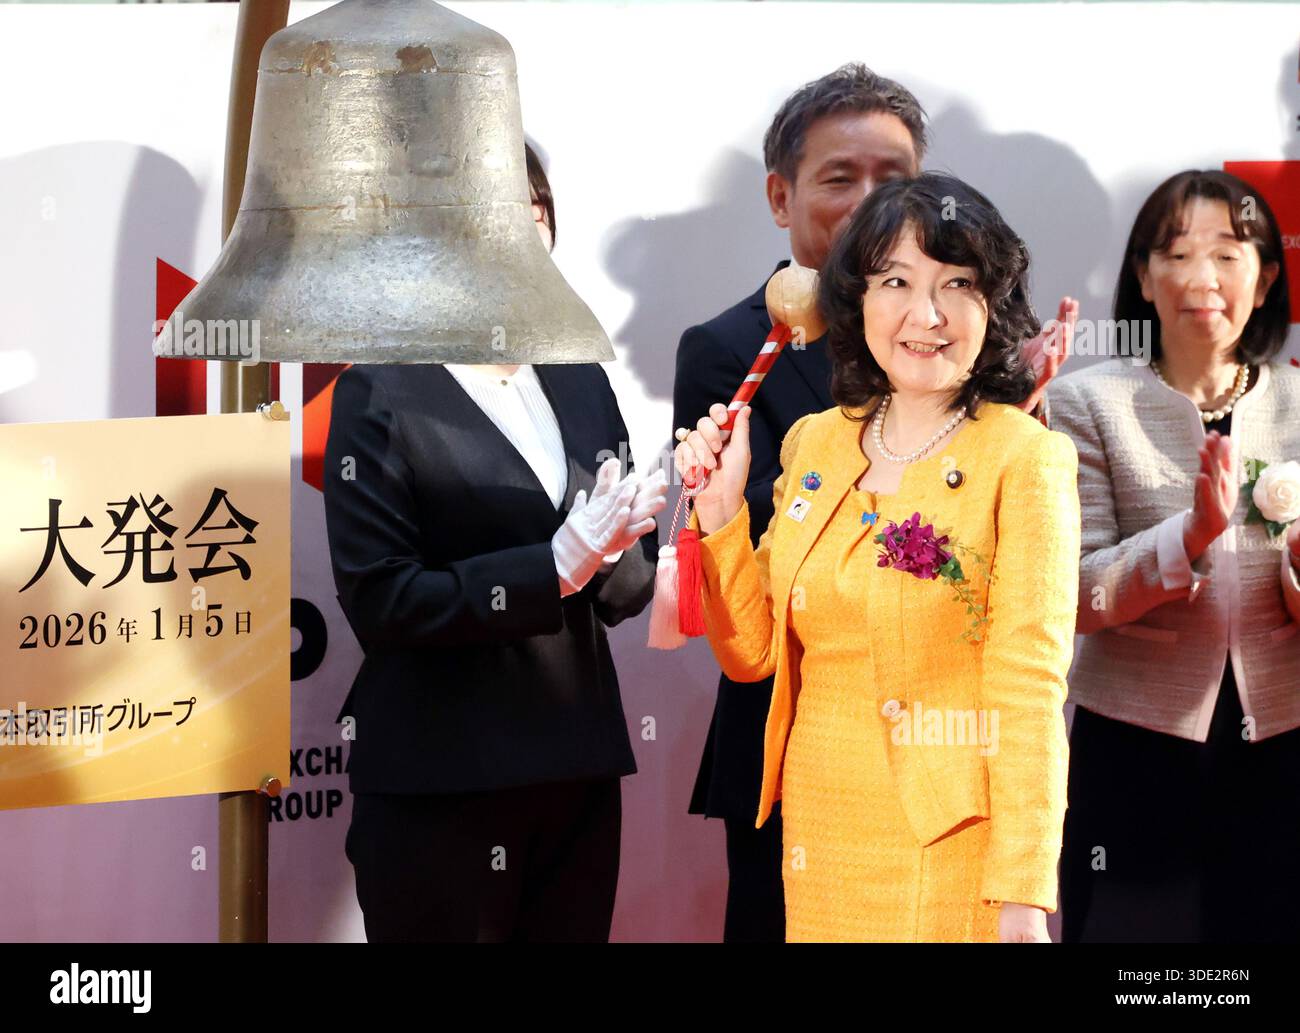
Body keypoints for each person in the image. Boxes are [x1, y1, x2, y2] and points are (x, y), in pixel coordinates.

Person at [673, 62, 1076, 942]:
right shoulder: (817, 441)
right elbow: (749, 654)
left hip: (949, 847)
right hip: (817, 840)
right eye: (895, 282)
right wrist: (723, 512)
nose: (925, 313)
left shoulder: (1025, 458)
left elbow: (1029, 686)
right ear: (856, 301)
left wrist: (1021, 888)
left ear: (994, 300)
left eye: (957, 283)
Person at [325, 144, 667, 942]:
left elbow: (624, 596)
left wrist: (617, 551)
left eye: (531, 208)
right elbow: (381, 598)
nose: (514, 230)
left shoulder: (577, 371)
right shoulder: (381, 386)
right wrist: (551, 567)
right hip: (442, 784)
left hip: (576, 771)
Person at [1049, 169, 1300, 942]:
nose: (1203, 277)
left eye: (1230, 253)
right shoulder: (1085, 402)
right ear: (1143, 276)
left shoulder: (1297, 404)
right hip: (1133, 749)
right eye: (1178, 253)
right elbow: (1080, 592)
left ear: (1265, 281)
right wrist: (1188, 540)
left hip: (1283, 745)